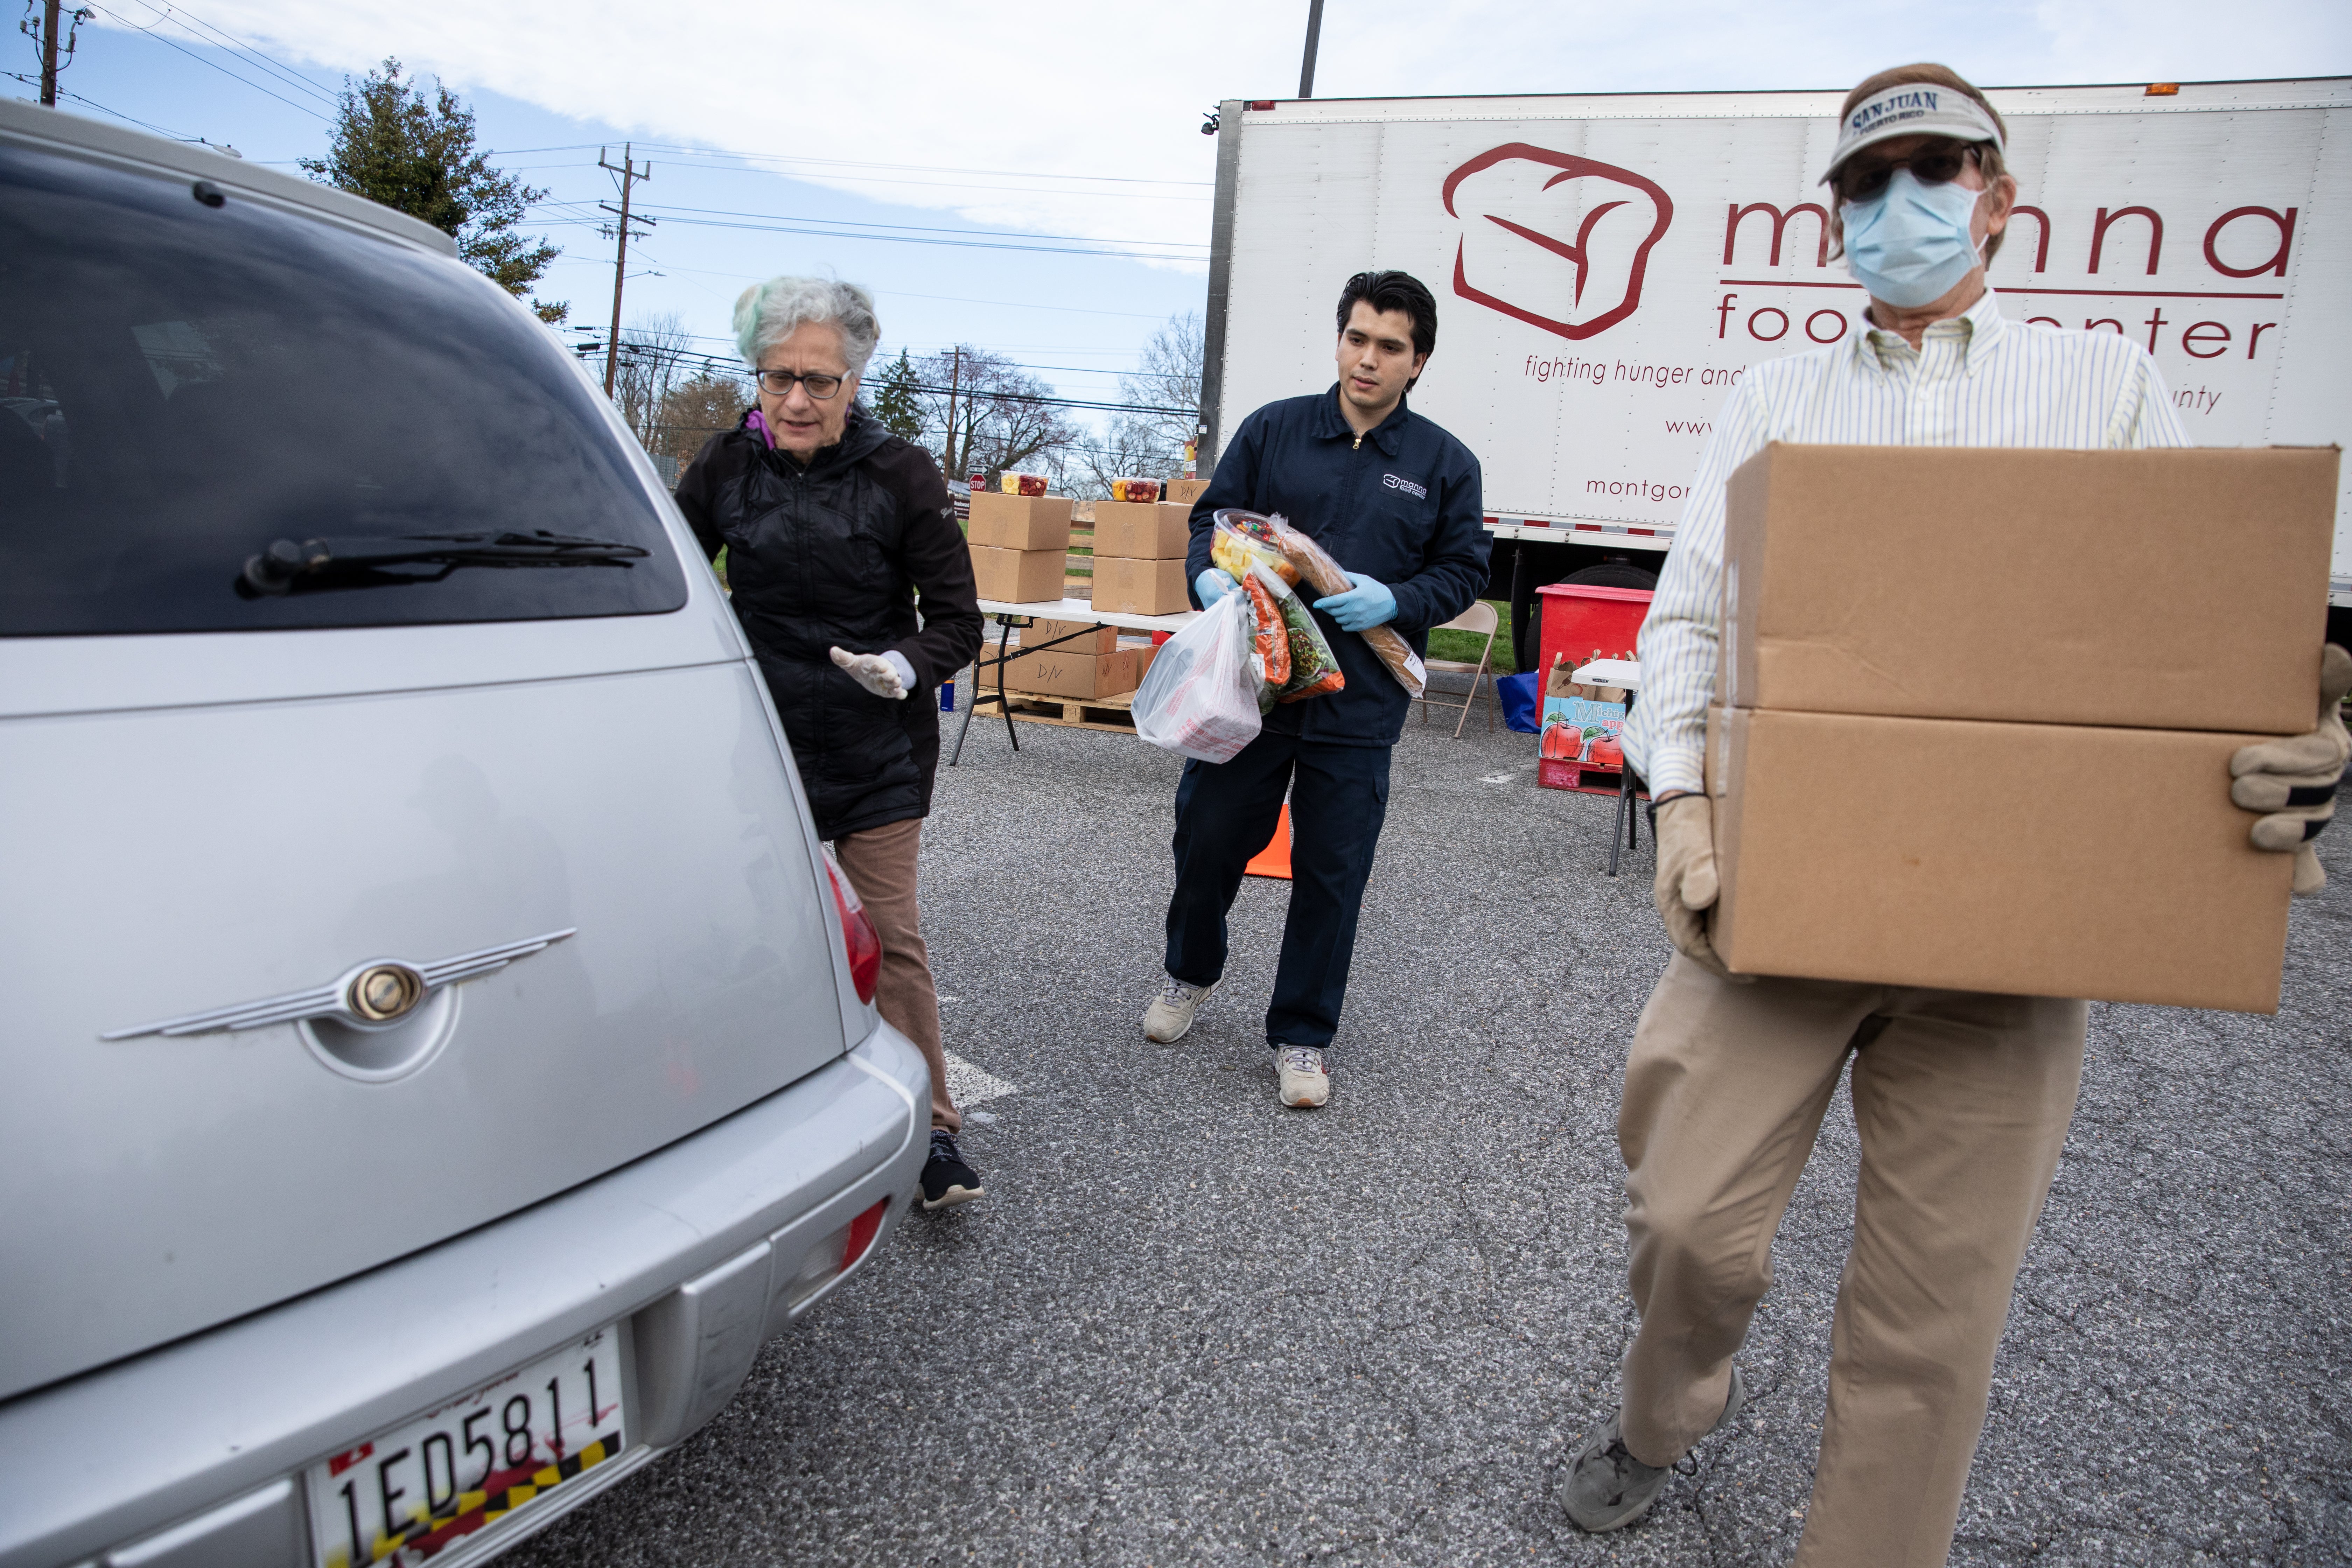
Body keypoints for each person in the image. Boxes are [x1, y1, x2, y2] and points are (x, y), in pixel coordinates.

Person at [1566, 64, 2351, 1562]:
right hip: (1781, 899)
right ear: (1836, 219)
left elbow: (2192, 636)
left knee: (1939, 1314)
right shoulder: (1776, 396)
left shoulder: (2103, 384)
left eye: (1934, 171)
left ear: (2001, 196)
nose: (1897, 205)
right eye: (1867, 183)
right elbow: (1684, 626)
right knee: (1685, 1218)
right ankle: (1667, 1408)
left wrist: (2285, 728)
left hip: (2008, 928)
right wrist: (1680, 801)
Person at [672, 275, 987, 1211]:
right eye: (778, 379)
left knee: (891, 939)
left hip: (877, 743)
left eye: (819, 380)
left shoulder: (902, 475)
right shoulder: (726, 466)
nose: (797, 400)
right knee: (761, 934)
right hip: (763, 745)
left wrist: (904, 663)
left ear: (855, 383)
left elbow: (960, 622)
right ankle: (766, 1110)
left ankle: (933, 1132)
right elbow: (680, 581)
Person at [1143, 270, 1489, 1108]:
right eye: (1357, 337)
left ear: (1420, 361)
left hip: (1359, 701)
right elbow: (1212, 522)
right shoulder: (1275, 431)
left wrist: (1399, 599)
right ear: (1340, 339)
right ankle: (1191, 973)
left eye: (1390, 347)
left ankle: (1303, 1034)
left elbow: (1465, 568)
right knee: (1208, 840)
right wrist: (1205, 580)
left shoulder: (1446, 463)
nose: (1368, 359)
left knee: (1332, 872)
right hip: (1251, 687)